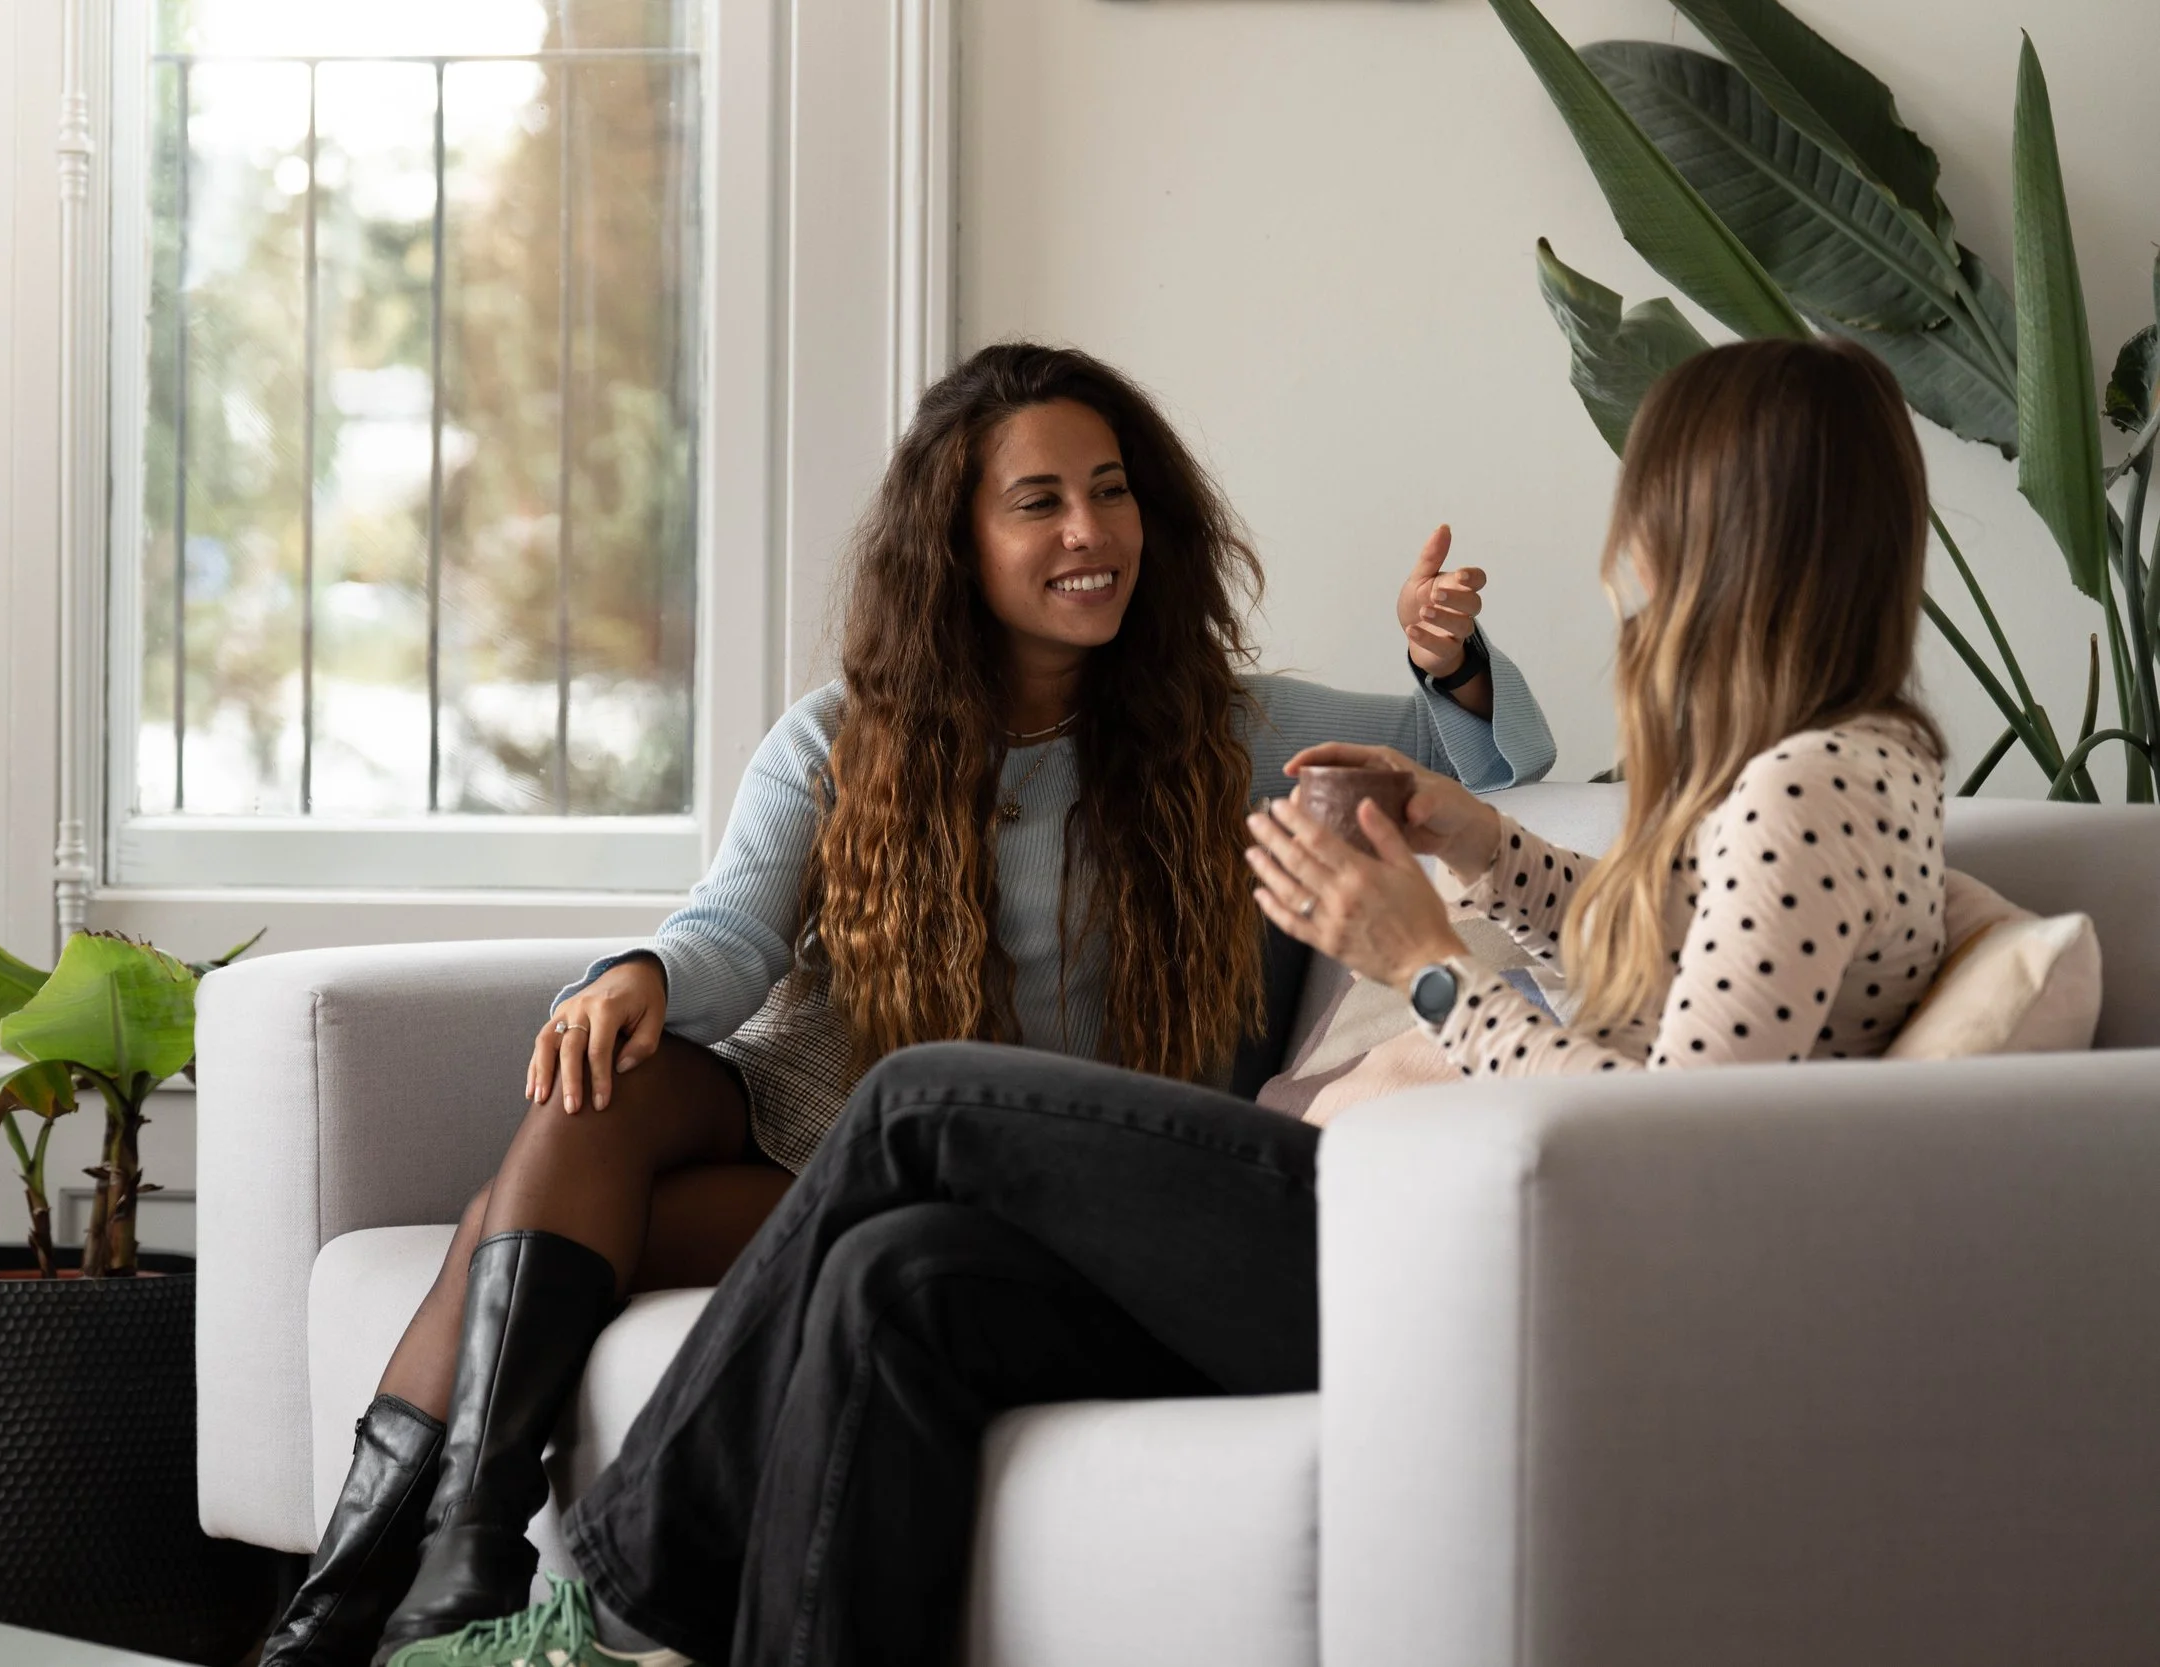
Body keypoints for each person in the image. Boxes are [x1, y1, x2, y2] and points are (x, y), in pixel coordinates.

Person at [400, 335, 1953, 1667]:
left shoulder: (1806, 787)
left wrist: (1427, 960)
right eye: (1040, 500)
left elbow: (1675, 1143)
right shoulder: (1810, 777)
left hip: (1434, 1238)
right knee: (891, 1273)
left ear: (1730, 535)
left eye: (1646, 518)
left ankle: (617, 1584)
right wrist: (1482, 847)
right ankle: (470, 1583)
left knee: (920, 1102)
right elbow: (1657, 968)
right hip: (1401, 1208)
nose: (1623, 562)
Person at [259, 341, 1555, 1667]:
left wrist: (1444, 661)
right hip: (828, 1133)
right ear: (956, 541)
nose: (1091, 531)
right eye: (1040, 502)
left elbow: (1495, 763)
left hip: (1039, 1181)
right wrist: (637, 975)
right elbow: (729, 938)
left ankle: (358, 1619)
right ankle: (438, 1584)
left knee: (504, 1223)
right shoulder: (842, 733)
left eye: (1110, 492)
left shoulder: (1232, 729)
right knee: (599, 1092)